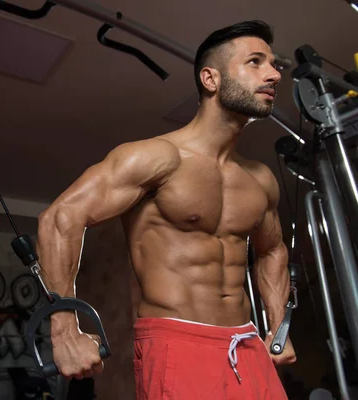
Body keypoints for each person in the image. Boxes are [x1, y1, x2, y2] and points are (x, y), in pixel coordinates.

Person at [35, 20, 297, 399]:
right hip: (178, 342)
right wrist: (64, 331)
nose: (273, 74)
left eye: (274, 65)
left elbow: (272, 250)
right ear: (211, 79)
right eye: (255, 62)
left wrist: (278, 327)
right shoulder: (154, 157)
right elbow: (61, 219)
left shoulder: (259, 178)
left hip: (248, 342)